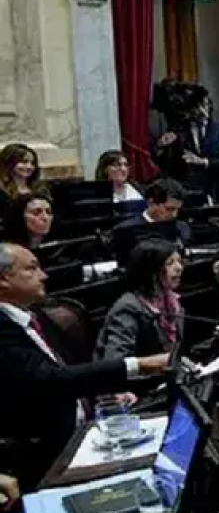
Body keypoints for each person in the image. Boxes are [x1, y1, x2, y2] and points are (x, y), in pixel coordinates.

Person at [0, 243, 170, 486]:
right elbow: (49, 380)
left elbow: (70, 370)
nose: (44, 275)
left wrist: (104, 395)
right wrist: (139, 365)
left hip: (88, 428)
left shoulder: (33, 315)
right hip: (47, 452)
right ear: (3, 280)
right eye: (31, 268)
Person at [97, 239, 184, 360]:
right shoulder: (128, 308)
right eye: (170, 263)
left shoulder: (170, 301)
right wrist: (155, 363)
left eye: (179, 261)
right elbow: (115, 362)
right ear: (151, 270)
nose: (179, 268)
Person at [154, 92, 219, 205]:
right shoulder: (179, 128)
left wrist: (204, 162)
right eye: (200, 106)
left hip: (217, 190)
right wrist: (160, 147)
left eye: (206, 105)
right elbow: (166, 164)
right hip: (188, 191)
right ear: (191, 108)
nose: (204, 109)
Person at [111, 179, 191, 260]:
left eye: (177, 209)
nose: (174, 214)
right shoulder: (125, 231)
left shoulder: (182, 228)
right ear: (151, 203)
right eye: (169, 209)